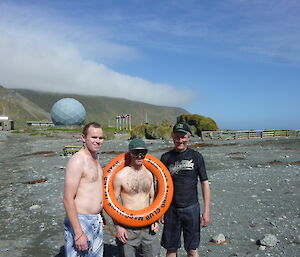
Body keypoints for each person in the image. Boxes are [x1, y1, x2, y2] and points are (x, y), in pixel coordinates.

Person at [160, 123, 211, 257]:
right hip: (171, 209)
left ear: (188, 138)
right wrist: (160, 211)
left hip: (192, 208)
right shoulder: (165, 158)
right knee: (171, 249)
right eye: (177, 137)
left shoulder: (197, 156)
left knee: (192, 249)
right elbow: (160, 186)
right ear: (172, 137)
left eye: (183, 137)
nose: (180, 140)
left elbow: (204, 183)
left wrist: (206, 211)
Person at [113, 138, 160, 257]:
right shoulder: (121, 176)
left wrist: (154, 219)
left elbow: (152, 198)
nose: (139, 156)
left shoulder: (149, 174)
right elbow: (112, 204)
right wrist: (118, 226)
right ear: (130, 154)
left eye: (143, 153)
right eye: (135, 153)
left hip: (148, 226)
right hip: (128, 227)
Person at [63, 122, 105, 257]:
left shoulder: (95, 158)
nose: (98, 141)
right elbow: (67, 198)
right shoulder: (78, 160)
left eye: (100, 138)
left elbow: (95, 189)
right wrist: (78, 233)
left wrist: (101, 215)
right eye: (94, 137)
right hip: (81, 220)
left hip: (96, 220)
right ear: (83, 138)